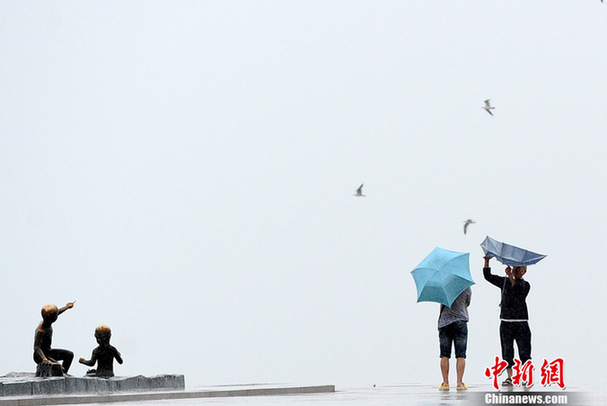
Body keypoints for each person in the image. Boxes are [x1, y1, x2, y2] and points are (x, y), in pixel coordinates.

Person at [483, 256, 531, 387]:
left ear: (524, 271)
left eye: (519, 268)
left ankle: (525, 376)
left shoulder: (526, 285)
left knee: (525, 351)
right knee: (507, 351)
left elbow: (517, 290)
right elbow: (488, 276)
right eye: (515, 267)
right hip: (506, 321)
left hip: (521, 322)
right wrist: (487, 261)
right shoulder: (504, 282)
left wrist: (510, 276)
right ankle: (510, 377)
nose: (516, 270)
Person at [438, 287, 472, 391]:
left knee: (444, 355)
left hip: (445, 323)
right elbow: (468, 303)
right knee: (461, 355)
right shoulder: (466, 287)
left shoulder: (443, 287)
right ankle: (459, 382)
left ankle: (445, 382)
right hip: (460, 321)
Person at [33, 301, 76, 376]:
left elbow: (57, 312)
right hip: (40, 356)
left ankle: (64, 374)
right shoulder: (41, 330)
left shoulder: (47, 321)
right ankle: (60, 373)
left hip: (48, 352)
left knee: (69, 355)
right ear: (53, 319)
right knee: (58, 367)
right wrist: (45, 359)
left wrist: (66, 307)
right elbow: (36, 347)